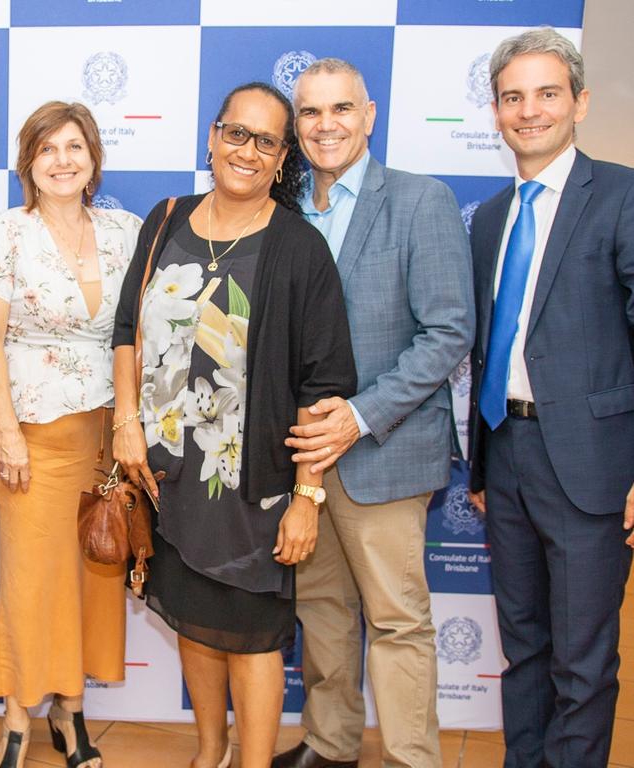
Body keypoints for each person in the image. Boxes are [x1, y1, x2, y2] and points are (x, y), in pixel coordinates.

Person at [112, 82, 356, 768]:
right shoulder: (166, 220)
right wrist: (124, 425)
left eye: (266, 141)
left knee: (249, 637)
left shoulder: (298, 250)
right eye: (235, 134)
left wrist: (306, 497)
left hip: (250, 487)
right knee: (194, 622)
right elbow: (126, 329)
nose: (246, 151)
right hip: (167, 476)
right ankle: (208, 753)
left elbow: (321, 384)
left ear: (282, 159)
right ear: (213, 137)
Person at [275, 59, 475, 768]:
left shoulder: (420, 201)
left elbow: (448, 329)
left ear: (369, 114)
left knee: (396, 624)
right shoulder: (287, 207)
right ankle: (329, 747)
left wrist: (358, 416)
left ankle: (410, 760)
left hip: (381, 451)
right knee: (321, 615)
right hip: (303, 456)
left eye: (339, 110)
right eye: (309, 112)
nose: (324, 125)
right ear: (295, 124)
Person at [467, 28, 634, 768]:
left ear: (578, 103)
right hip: (506, 457)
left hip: (590, 463)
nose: (527, 111)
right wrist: (479, 467)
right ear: (495, 111)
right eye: (511, 96)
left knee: (582, 661)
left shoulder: (623, 195)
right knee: (525, 650)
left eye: (545, 93)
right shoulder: (492, 217)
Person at [0, 101, 142, 768]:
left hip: (104, 432)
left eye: (75, 146)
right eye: (48, 149)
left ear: (93, 158)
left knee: (95, 570)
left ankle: (69, 711)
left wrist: (130, 425)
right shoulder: (3, 234)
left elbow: (137, 336)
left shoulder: (124, 232)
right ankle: (16, 718)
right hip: (30, 432)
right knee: (32, 573)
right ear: (28, 164)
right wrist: (7, 433)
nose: (63, 159)